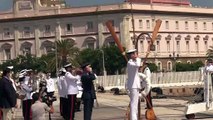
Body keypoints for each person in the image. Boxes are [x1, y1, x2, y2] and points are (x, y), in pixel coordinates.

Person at [126, 49, 142, 120]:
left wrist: (136, 59)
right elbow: (138, 65)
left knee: (134, 104)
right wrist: (138, 58)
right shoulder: (130, 63)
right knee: (133, 104)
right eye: (135, 53)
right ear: (132, 55)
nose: (136, 55)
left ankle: (134, 118)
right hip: (133, 86)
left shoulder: (132, 62)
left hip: (134, 85)